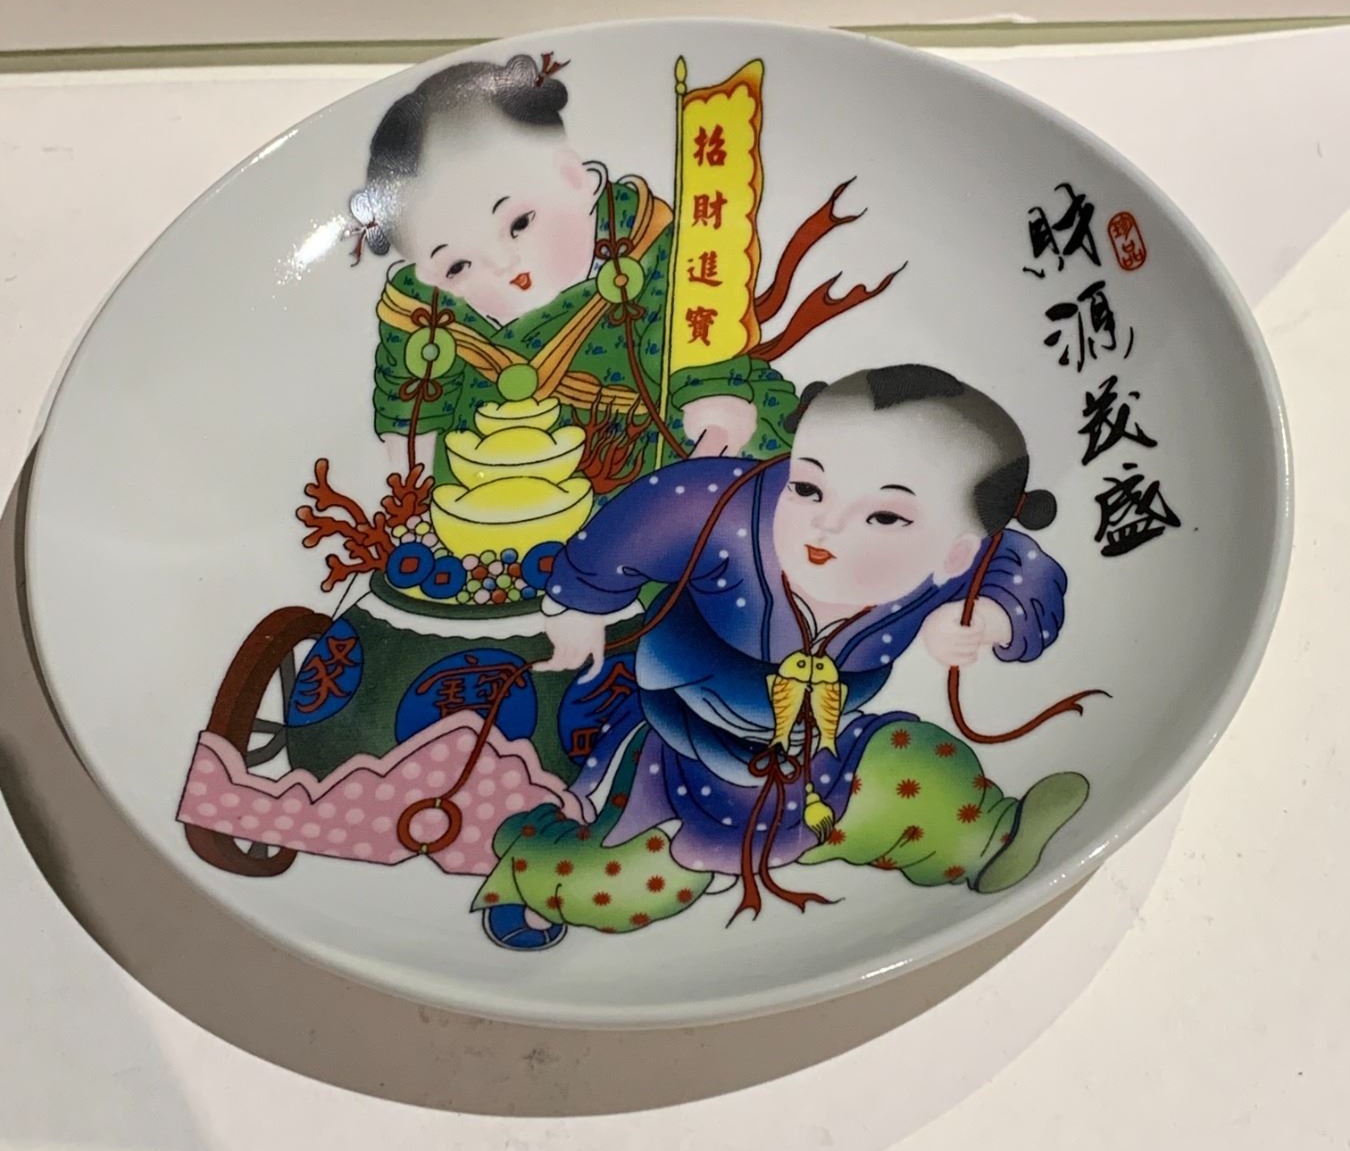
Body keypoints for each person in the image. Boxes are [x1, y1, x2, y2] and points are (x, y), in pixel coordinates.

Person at [473, 363, 1089, 944]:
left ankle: (992, 840)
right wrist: (580, 604)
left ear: (956, 552)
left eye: (884, 516)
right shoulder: (733, 512)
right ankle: (532, 867)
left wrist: (989, 617)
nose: (827, 526)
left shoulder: (958, 566)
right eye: (809, 487)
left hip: (824, 747)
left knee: (916, 770)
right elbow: (653, 510)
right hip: (686, 744)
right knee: (632, 878)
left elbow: (1026, 572)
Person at [347, 54, 798, 485]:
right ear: (427, 275)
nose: (504, 264)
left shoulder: (651, 249)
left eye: (519, 223)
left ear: (575, 179)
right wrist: (410, 486)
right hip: (490, 476)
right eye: (457, 265)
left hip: (643, 453)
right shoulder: (419, 313)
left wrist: (711, 429)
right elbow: (413, 415)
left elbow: (699, 356)